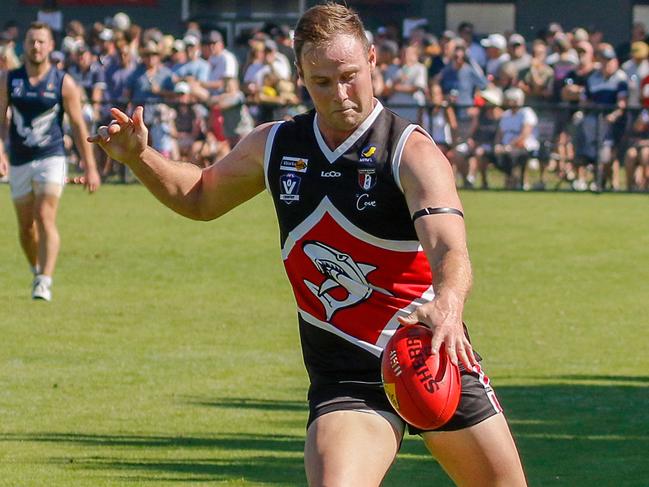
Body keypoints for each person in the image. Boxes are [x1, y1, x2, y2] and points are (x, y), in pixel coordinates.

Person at [90, 4, 527, 486]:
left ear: (373, 60)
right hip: (346, 376)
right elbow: (200, 197)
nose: (340, 94)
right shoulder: (276, 144)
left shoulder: (412, 151)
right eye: (322, 81)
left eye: (349, 76)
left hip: (429, 353)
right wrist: (140, 156)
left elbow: (449, 249)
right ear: (300, 76)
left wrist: (449, 302)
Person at [0, 22, 100, 301]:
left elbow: (79, 127)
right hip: (20, 159)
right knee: (25, 228)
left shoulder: (63, 82)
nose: (36, 46)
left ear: (51, 46)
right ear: (25, 44)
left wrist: (90, 167)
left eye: (41, 42)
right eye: (31, 41)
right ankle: (36, 269)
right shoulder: (9, 79)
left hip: (51, 157)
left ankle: (44, 280)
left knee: (44, 216)